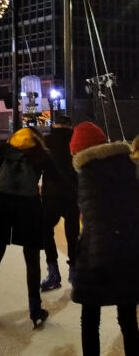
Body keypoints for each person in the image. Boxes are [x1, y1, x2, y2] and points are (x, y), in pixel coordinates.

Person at [0, 128, 59, 328]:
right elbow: (58, 179)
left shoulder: (3, 149)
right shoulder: (41, 154)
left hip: (2, 203)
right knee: (32, 258)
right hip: (29, 205)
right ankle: (35, 309)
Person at [68, 122, 139, 355]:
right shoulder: (127, 165)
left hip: (98, 257)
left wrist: (98, 263)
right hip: (129, 252)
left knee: (90, 320)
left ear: (80, 150)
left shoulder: (89, 173)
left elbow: (96, 219)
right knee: (128, 318)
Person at [39, 115, 79, 292]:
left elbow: (36, 166)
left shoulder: (46, 141)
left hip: (51, 194)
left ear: (55, 125)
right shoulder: (76, 141)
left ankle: (53, 271)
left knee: (45, 229)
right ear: (70, 126)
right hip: (73, 194)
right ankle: (75, 272)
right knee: (73, 234)